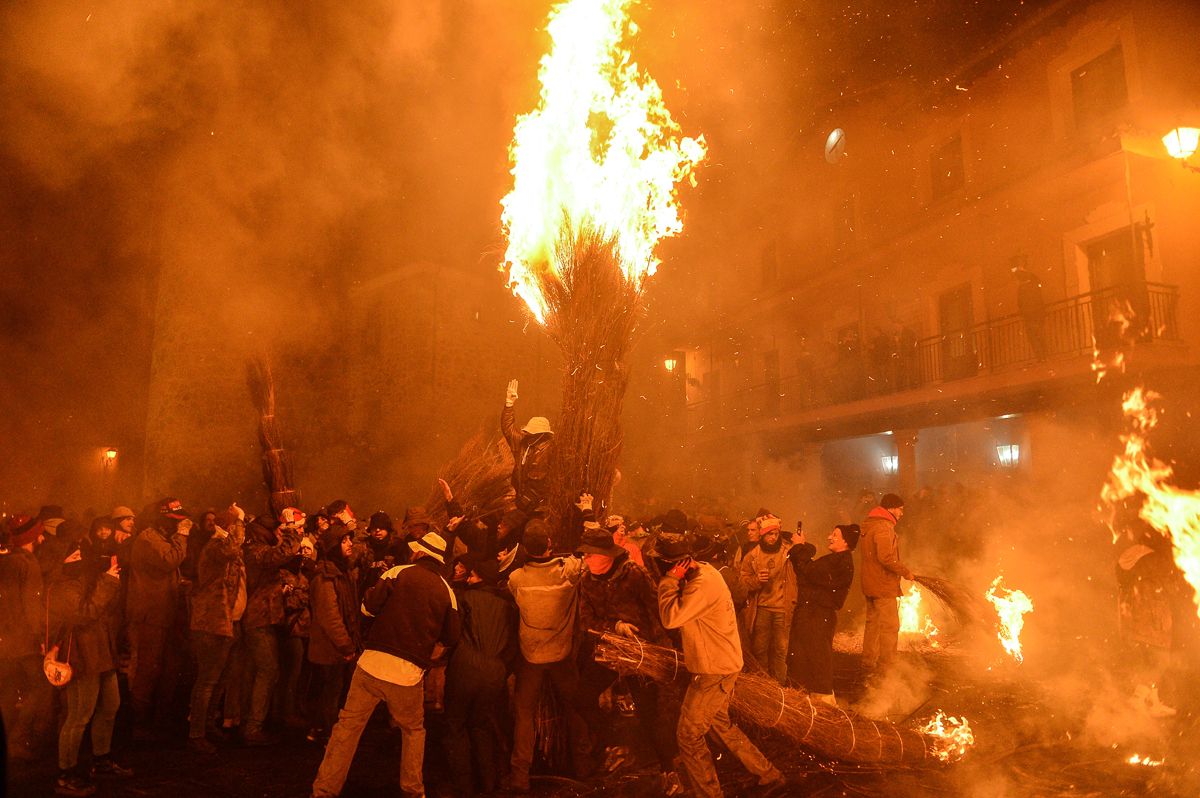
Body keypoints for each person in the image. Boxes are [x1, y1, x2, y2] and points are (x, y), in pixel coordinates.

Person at [311, 530, 460, 798]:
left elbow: (367, 608)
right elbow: (450, 636)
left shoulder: (398, 572)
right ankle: (413, 791)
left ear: (420, 553)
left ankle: (324, 791)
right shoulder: (447, 591)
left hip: (371, 665)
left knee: (347, 728)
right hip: (408, 675)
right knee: (413, 731)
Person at [656, 526, 785, 798]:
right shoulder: (706, 572)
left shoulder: (701, 585)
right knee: (720, 724)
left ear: (677, 564)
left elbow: (671, 617)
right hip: (722, 664)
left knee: (689, 736)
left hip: (712, 670)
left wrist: (668, 581)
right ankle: (767, 773)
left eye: (665, 565)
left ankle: (709, 794)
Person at [576, 522, 683, 795]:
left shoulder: (634, 575)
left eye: (591, 554)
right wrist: (615, 628)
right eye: (585, 554)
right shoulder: (586, 581)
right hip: (611, 651)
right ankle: (616, 744)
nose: (586, 559)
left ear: (608, 556)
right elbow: (586, 620)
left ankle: (669, 771)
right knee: (582, 697)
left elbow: (655, 611)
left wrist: (657, 651)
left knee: (650, 713)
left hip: (641, 653)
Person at [506, 519, 590, 791]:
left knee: (523, 714)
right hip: (562, 656)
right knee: (576, 709)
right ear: (551, 545)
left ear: (525, 548)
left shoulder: (517, 579)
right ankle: (584, 767)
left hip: (530, 657)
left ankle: (519, 777)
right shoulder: (568, 573)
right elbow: (588, 554)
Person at [49, 541, 132, 796]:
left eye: (79, 555)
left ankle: (101, 760)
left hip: (102, 653)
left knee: (110, 706)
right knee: (78, 715)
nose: (78, 560)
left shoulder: (86, 579)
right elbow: (84, 614)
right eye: (72, 556)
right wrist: (107, 582)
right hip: (82, 658)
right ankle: (66, 773)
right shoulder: (63, 586)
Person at [444, 553, 518, 797]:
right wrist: (500, 668)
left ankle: (463, 786)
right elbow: (512, 645)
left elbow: (452, 633)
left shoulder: (465, 599)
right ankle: (488, 783)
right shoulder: (508, 606)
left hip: (465, 667)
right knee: (482, 725)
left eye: (472, 574)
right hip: (494, 671)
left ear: (481, 578)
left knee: (456, 726)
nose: (468, 578)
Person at [186, 508, 247, 754]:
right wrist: (239, 521)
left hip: (226, 623)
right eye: (234, 527)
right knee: (207, 680)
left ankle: (208, 725)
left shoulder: (224, 548)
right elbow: (232, 549)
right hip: (211, 623)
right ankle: (196, 733)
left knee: (219, 679)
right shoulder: (216, 547)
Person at [126, 498, 189, 734]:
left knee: (167, 667)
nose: (179, 524)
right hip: (149, 614)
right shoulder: (148, 538)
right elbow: (169, 560)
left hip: (163, 613)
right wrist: (182, 536)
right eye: (175, 521)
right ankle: (139, 724)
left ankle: (160, 719)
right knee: (147, 669)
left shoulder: (159, 538)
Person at [787, 524, 860, 703]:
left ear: (845, 542)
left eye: (834, 535)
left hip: (818, 618)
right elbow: (805, 573)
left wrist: (799, 547)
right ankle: (801, 703)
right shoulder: (834, 560)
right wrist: (801, 548)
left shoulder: (840, 562)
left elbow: (808, 571)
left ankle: (824, 708)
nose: (829, 537)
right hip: (811, 617)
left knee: (817, 662)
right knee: (803, 660)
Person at [0, 515, 49, 761]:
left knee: (7, 692)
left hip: (5, 641)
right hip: (24, 641)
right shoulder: (27, 564)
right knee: (40, 689)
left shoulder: (4, 560)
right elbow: (32, 605)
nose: (42, 537)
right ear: (31, 537)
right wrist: (40, 636)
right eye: (39, 533)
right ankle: (19, 739)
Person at [307, 523, 362, 743]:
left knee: (335, 691)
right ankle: (324, 733)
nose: (350, 544)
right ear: (333, 546)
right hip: (329, 650)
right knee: (330, 692)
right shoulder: (325, 578)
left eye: (350, 539)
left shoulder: (342, 573)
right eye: (344, 540)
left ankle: (326, 731)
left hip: (339, 649)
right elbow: (330, 617)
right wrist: (346, 646)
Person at [738, 514, 796, 682]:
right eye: (769, 534)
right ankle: (763, 685)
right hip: (761, 609)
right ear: (762, 535)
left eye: (776, 534)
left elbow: (808, 554)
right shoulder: (752, 556)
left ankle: (780, 687)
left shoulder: (788, 553)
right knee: (760, 650)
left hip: (782, 609)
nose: (773, 538)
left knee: (781, 651)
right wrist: (757, 581)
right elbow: (742, 582)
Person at [860, 494, 913, 674]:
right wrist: (905, 572)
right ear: (891, 508)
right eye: (900, 509)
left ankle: (868, 663)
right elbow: (886, 558)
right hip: (883, 585)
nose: (901, 513)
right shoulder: (884, 527)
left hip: (871, 583)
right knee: (890, 627)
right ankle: (887, 666)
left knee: (873, 625)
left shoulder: (870, 524)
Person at [500, 378, 554, 516]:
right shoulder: (525, 442)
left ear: (541, 434)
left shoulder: (546, 449)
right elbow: (509, 430)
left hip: (538, 506)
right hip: (522, 497)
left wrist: (523, 502)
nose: (528, 434)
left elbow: (538, 482)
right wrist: (509, 404)